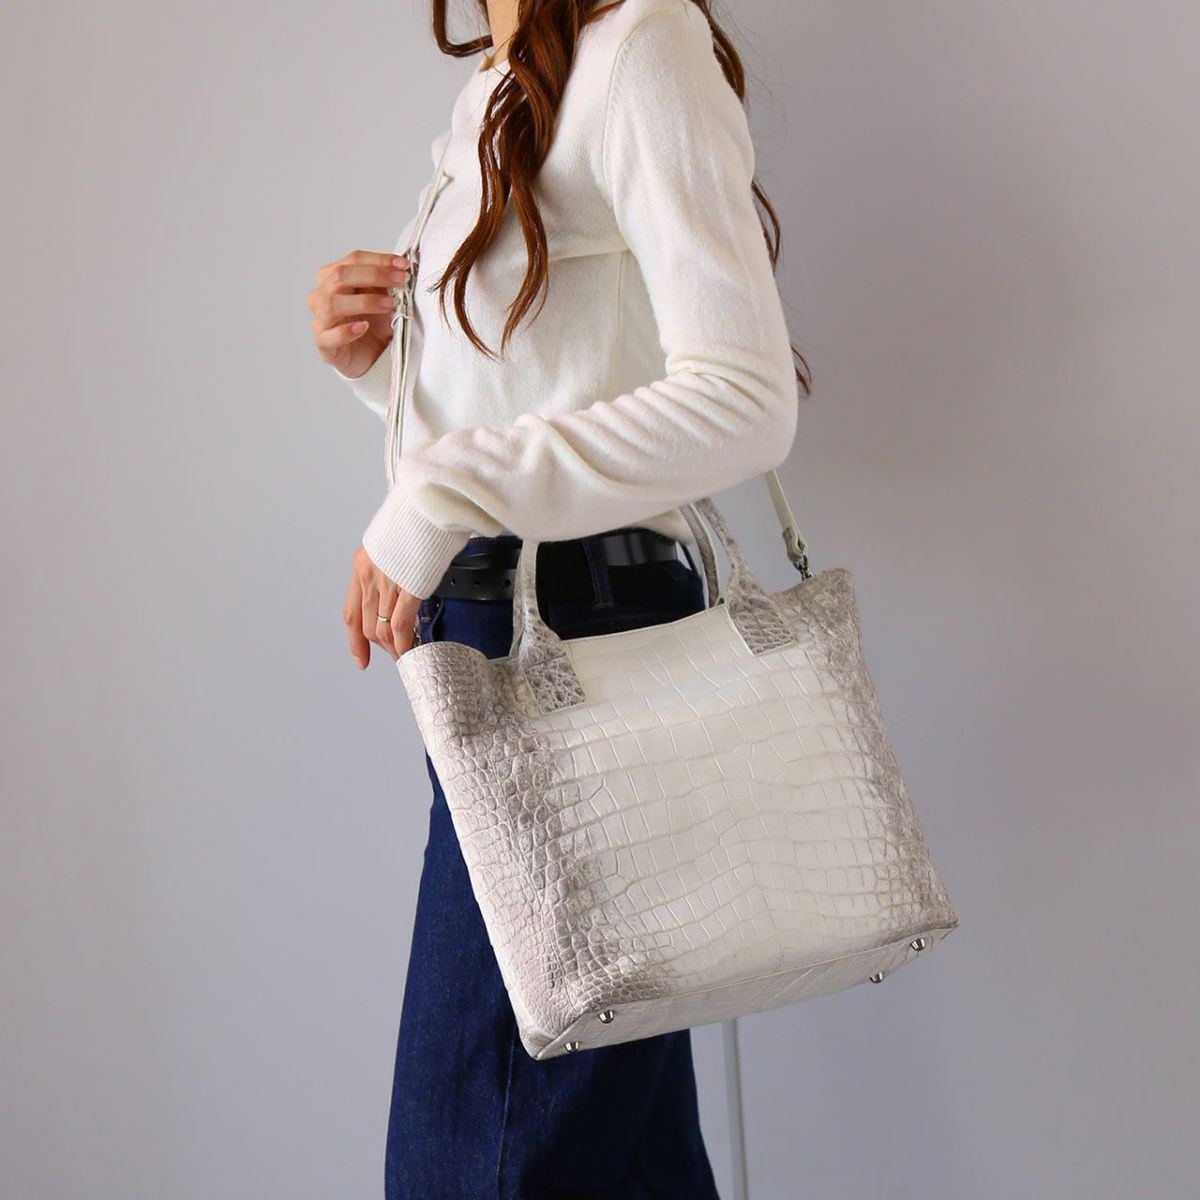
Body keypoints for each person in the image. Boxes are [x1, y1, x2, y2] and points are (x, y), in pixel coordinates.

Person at [307, 1, 810, 1195]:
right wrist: (382, 369)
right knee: (621, 1163)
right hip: (506, 641)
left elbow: (744, 398)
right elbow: (554, 383)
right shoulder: (498, 85)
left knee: (473, 1163)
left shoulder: (641, 46)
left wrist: (436, 496)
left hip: (582, 648)